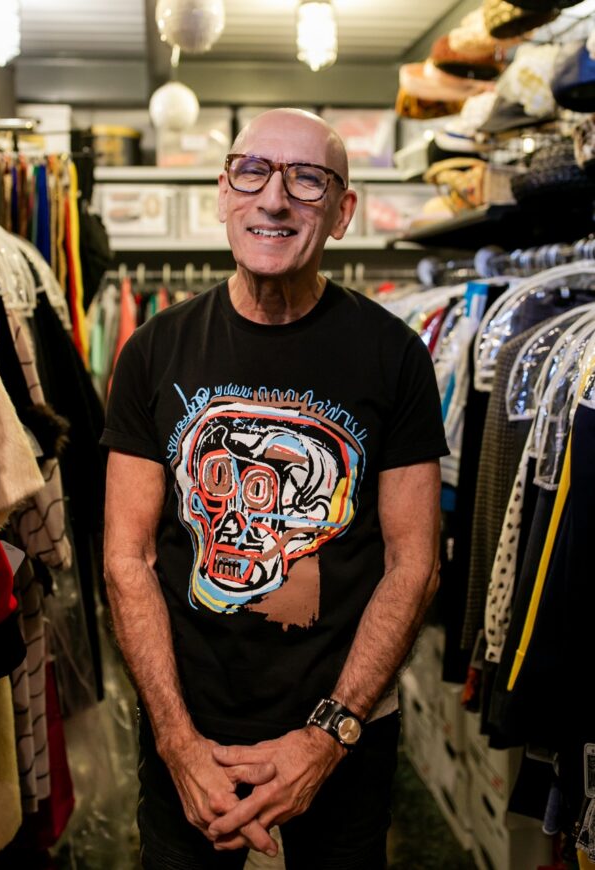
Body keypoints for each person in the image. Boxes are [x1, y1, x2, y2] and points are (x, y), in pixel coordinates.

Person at [102, 108, 449, 869]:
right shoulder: (151, 350)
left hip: (346, 728)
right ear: (224, 191)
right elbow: (127, 557)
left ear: (343, 211)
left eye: (307, 179)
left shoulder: (395, 357)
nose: (274, 198)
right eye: (251, 171)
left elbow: (413, 561)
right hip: (188, 724)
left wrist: (329, 737)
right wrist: (176, 741)